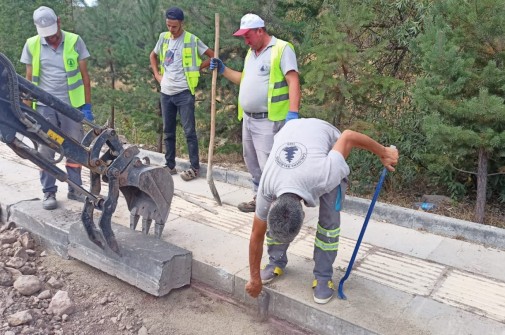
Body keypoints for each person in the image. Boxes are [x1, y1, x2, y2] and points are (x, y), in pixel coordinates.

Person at [244, 118, 399, 304]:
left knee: (329, 223)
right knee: (280, 224)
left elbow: (348, 136)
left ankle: (323, 276)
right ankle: (275, 260)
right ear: (272, 204)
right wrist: (254, 278)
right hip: (291, 131)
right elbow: (256, 234)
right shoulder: (266, 187)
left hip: (323, 141)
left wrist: (383, 152)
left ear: (303, 214)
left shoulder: (324, 175)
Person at [210, 13, 301, 212]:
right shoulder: (252, 53)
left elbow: (293, 80)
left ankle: (278, 206)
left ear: (260, 31)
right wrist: (224, 69)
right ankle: (260, 197)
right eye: (243, 37)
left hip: (269, 120)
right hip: (248, 119)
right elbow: (245, 79)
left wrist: (293, 114)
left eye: (248, 35)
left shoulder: (281, 49)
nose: (246, 40)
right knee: (252, 162)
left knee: (269, 165)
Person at [20, 6, 94, 211]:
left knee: (74, 148)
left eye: (53, 35)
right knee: (45, 150)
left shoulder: (74, 41)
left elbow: (85, 77)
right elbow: (28, 80)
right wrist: (26, 110)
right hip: (44, 108)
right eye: (47, 37)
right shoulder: (32, 45)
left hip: (71, 107)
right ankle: (49, 191)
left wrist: (86, 106)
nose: (51, 40)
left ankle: (75, 188)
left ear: (59, 23)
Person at [149, 7, 214, 181]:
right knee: (168, 131)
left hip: (184, 92)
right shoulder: (163, 38)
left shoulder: (191, 39)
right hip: (166, 92)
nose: (171, 30)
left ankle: (194, 168)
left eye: (174, 27)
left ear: (182, 24)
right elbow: (153, 56)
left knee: (189, 131)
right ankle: (169, 165)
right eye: (168, 26)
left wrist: (199, 67)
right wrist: (157, 75)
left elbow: (212, 56)